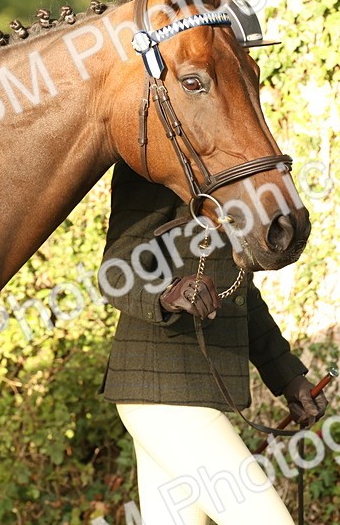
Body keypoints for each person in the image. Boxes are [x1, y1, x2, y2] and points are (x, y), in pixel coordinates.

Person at [99, 161, 327, 525]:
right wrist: (168, 293)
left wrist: (288, 379)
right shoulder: (149, 165)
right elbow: (116, 270)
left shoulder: (230, 174)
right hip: (162, 392)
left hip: (182, 397)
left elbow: (241, 296)